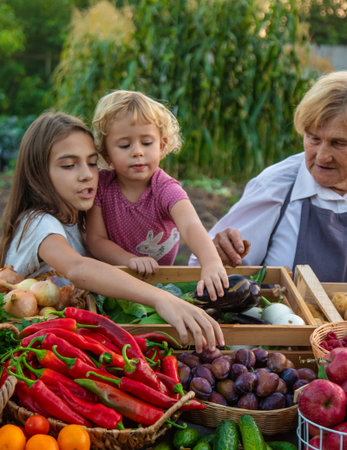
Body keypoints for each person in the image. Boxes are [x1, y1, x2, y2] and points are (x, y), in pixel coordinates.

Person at [0, 111, 225, 352]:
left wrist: (215, 249)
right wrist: (161, 298)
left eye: (92, 163)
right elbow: (77, 268)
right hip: (27, 349)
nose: (87, 174)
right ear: (38, 174)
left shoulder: (78, 217)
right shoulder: (40, 222)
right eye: (69, 165)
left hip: (61, 343)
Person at [189, 71, 347, 282]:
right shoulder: (278, 185)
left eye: (339, 143)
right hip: (288, 316)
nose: (322, 156)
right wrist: (219, 253)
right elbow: (203, 270)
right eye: (313, 138)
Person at [87, 90, 228, 300]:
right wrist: (129, 260)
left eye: (146, 143)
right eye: (125, 145)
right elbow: (96, 240)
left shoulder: (165, 188)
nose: (137, 152)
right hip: (113, 283)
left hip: (159, 284)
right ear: (107, 153)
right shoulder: (102, 187)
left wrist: (211, 262)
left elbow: (190, 226)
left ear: (161, 146)